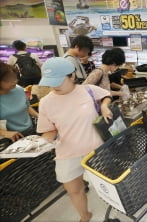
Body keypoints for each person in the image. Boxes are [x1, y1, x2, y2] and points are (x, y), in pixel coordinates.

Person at [37, 57, 112, 222]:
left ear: (72, 76)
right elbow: (48, 131)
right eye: (50, 81)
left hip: (97, 148)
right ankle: (85, 216)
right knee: (74, 189)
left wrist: (104, 106)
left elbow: (106, 95)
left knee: (107, 182)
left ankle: (112, 209)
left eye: (58, 80)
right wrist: (43, 142)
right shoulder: (45, 103)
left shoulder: (88, 90)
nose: (54, 85)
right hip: (67, 153)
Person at [0, 63, 38, 143]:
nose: (15, 82)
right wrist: (5, 133)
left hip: (30, 131)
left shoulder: (19, 90)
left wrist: (39, 117)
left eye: (14, 78)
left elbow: (27, 107)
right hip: (9, 138)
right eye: (8, 80)